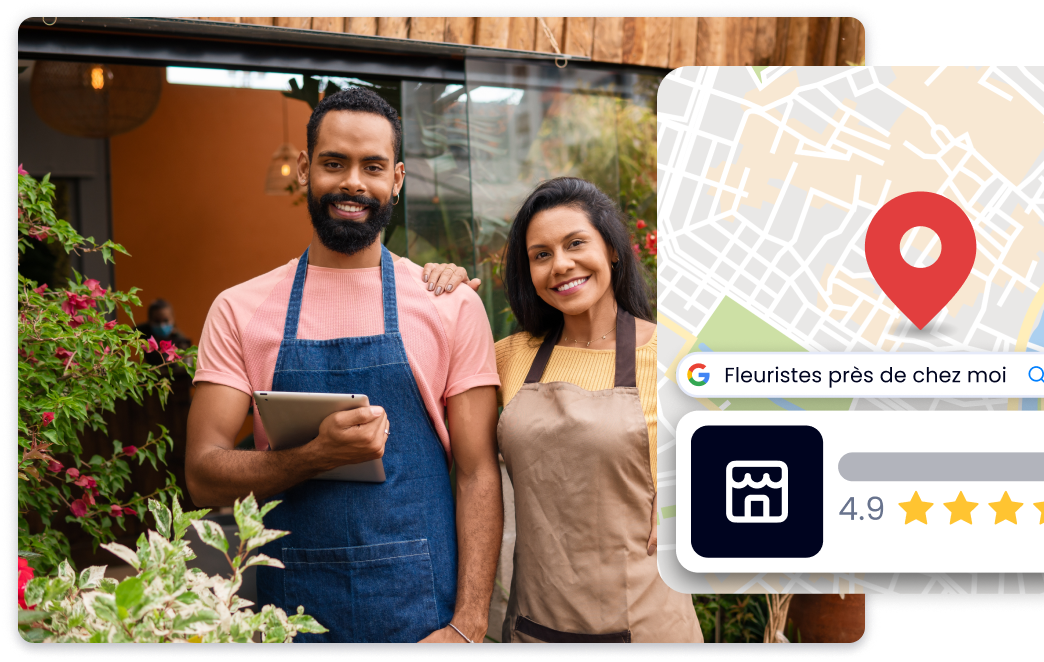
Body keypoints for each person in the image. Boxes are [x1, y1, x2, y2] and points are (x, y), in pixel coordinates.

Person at [185, 88, 502, 644]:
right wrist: (314, 456)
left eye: (373, 166)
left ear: (397, 179)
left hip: (427, 616)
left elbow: (479, 472)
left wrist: (469, 624)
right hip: (292, 617)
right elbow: (203, 475)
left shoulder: (450, 304)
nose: (354, 182)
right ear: (306, 169)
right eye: (335, 163)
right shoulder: (239, 309)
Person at [424, 177, 702, 643]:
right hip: (536, 626)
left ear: (612, 249)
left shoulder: (679, 355)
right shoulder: (507, 356)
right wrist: (446, 296)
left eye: (576, 244)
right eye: (541, 255)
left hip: (652, 626)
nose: (561, 265)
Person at [136, 298, 192, 367]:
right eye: (157, 321)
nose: (161, 325)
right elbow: (121, 340)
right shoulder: (142, 332)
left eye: (166, 320)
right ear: (149, 321)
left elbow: (186, 367)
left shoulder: (181, 341)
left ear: (173, 320)